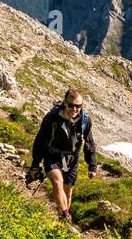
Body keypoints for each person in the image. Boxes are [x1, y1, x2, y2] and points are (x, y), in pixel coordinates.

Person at [29, 88, 97, 223]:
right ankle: (66, 217)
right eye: (71, 105)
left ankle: (63, 215)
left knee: (68, 191)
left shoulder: (85, 120)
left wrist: (92, 165)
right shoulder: (52, 117)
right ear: (65, 103)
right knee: (57, 182)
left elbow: (89, 142)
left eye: (78, 106)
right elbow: (40, 140)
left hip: (73, 158)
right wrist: (35, 164)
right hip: (52, 155)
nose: (75, 109)